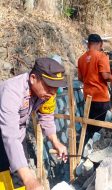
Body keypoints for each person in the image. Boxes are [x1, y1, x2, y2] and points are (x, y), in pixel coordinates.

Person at [0, 58, 68, 190]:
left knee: (19, 172)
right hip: (6, 132)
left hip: (16, 133)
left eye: (55, 88)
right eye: (49, 87)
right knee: (5, 171)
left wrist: (56, 142)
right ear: (33, 78)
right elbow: (10, 135)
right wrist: (30, 179)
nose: (53, 93)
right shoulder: (12, 92)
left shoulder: (47, 94)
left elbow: (47, 116)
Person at [78, 34, 112, 136]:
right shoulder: (101, 56)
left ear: (88, 44)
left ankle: (87, 147)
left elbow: (80, 78)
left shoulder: (81, 59)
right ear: (100, 44)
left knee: (90, 125)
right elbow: (105, 75)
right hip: (100, 97)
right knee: (100, 129)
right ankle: (95, 148)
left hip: (88, 97)